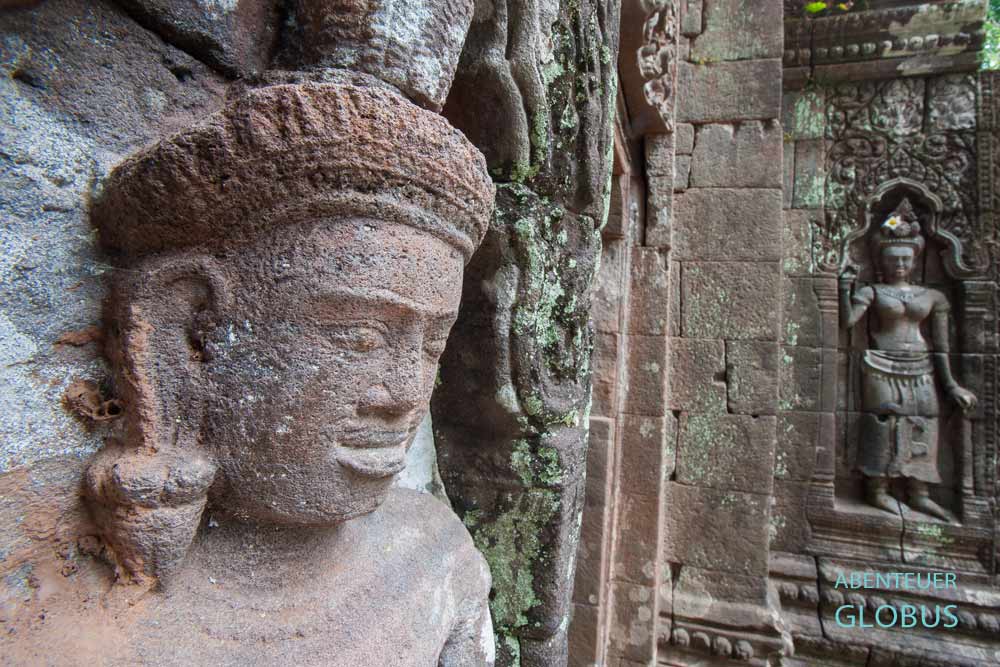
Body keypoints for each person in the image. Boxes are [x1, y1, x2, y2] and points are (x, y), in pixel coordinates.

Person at [42, 80, 496, 666]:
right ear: (187, 335)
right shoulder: (57, 630)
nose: (405, 395)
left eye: (432, 344)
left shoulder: (438, 559)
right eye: (359, 337)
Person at [839, 198, 976, 522]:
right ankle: (878, 489)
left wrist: (952, 384)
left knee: (925, 423)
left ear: (915, 259)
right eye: (892, 259)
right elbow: (847, 322)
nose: (899, 264)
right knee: (881, 423)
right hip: (880, 365)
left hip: (922, 365)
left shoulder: (932, 296)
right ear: (881, 261)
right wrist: (845, 289)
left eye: (905, 258)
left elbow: (941, 346)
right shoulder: (873, 292)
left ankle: (920, 492)